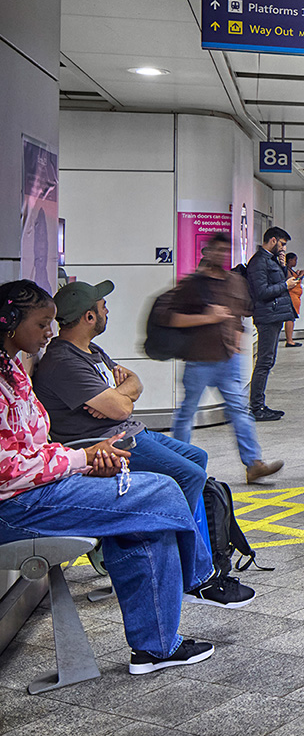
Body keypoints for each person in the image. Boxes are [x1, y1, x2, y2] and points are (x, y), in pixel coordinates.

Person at [0, 280, 253, 674]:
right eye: (41, 323)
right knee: (165, 490)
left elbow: (36, 447)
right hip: (17, 506)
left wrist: (82, 460)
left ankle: (153, 649)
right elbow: (7, 468)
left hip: (42, 485)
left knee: (144, 522)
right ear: (11, 323)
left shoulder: (13, 370)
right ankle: (200, 578)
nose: (49, 332)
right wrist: (81, 457)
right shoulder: (34, 368)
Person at [33, 280, 208, 516]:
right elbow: (123, 410)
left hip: (128, 431)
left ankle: (194, 533)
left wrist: (116, 395)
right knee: (190, 475)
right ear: (89, 317)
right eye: (102, 306)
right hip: (109, 441)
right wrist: (119, 398)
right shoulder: (64, 362)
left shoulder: (92, 351)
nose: (107, 311)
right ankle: (180, 539)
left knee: (198, 457)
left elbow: (135, 382)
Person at [169, 233, 284, 484]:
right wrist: (207, 318)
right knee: (187, 412)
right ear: (206, 252)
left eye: (225, 250)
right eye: (216, 250)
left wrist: (235, 336)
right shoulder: (192, 285)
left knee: (240, 412)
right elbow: (174, 319)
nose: (221, 255)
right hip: (198, 359)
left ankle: (253, 464)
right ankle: (177, 465)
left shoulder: (235, 281)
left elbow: (242, 314)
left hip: (227, 359)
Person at [245, 226, 297, 421]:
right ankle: (257, 408)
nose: (283, 248)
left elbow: (274, 281)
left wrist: (283, 268)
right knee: (264, 362)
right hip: (267, 316)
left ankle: (259, 404)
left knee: (267, 361)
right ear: (273, 240)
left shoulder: (271, 260)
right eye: (282, 244)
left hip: (273, 316)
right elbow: (262, 292)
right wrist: (285, 285)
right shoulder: (259, 262)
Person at [283, 252, 304, 348]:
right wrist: (300, 276)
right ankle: (289, 340)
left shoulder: (290, 270)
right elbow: (291, 283)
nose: (296, 262)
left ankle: (290, 339)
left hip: (295, 297)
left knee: (292, 318)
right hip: (291, 297)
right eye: (294, 260)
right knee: (290, 318)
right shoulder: (286, 271)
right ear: (290, 260)